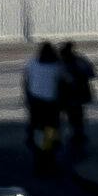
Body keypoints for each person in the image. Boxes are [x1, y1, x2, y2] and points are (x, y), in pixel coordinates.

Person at [23, 42, 63, 173]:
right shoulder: (57, 66)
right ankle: (49, 157)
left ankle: (38, 156)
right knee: (50, 131)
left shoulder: (32, 63)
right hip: (51, 105)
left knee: (36, 129)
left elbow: (26, 81)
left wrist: (28, 98)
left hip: (36, 103)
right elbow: (62, 83)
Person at [56, 41, 97, 154]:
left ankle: (58, 137)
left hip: (65, 95)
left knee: (61, 116)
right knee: (77, 115)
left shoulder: (58, 63)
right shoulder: (80, 60)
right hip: (78, 94)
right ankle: (78, 135)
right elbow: (92, 73)